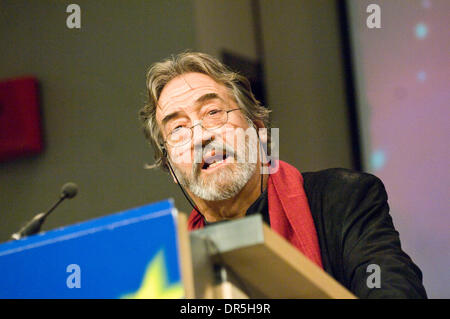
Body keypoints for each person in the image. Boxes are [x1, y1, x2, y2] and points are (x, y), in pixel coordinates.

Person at [139, 51, 427, 298]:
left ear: (260, 132)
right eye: (177, 129)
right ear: (172, 169)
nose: (200, 137)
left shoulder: (344, 198)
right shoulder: (168, 264)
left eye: (213, 112)